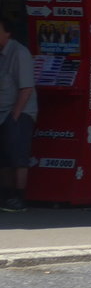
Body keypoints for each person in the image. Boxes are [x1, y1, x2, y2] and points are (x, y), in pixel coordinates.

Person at [0, 16, 38, 212]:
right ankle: (7, 196)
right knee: (4, 158)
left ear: (8, 33)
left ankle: (19, 198)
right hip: (2, 112)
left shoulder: (19, 53)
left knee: (18, 156)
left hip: (18, 112)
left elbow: (26, 88)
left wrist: (14, 116)